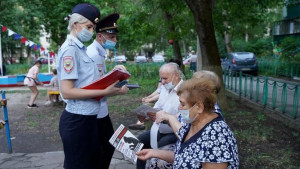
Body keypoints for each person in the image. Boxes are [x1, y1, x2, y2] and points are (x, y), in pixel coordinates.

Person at [57, 4, 128, 169]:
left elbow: (87, 82)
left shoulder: (79, 49)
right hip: (78, 120)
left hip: (89, 118)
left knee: (94, 161)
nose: (91, 31)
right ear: (76, 24)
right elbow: (67, 91)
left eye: (93, 27)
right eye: (89, 26)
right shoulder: (70, 50)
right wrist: (106, 91)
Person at [137, 78, 239, 169]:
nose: (179, 108)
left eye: (182, 104)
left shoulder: (216, 137)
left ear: (199, 107)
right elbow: (183, 156)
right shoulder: (193, 122)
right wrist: (153, 153)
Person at [86, 13, 127, 169]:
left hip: (101, 110)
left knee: (108, 146)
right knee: (104, 148)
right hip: (95, 112)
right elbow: (93, 87)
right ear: (99, 36)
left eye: (115, 37)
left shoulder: (99, 53)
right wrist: (118, 90)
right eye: (111, 37)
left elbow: (100, 79)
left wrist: (115, 74)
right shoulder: (93, 54)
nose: (114, 41)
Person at [136, 62, 183, 169]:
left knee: (160, 146)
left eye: (165, 78)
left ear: (176, 75)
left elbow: (183, 119)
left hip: (174, 132)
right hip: (159, 129)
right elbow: (157, 108)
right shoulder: (165, 89)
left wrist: (166, 119)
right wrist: (146, 115)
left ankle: (153, 164)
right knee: (140, 141)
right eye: (161, 78)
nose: (162, 82)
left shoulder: (184, 91)